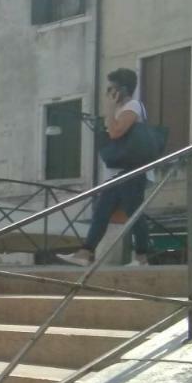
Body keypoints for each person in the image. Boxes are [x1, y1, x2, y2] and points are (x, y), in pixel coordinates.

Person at [57, 68, 151, 266]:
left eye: (111, 88)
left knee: (134, 214)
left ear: (122, 90)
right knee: (101, 212)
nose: (108, 92)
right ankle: (85, 253)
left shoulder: (133, 106)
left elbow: (116, 133)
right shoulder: (122, 109)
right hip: (117, 174)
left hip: (132, 172)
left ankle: (142, 257)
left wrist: (109, 107)